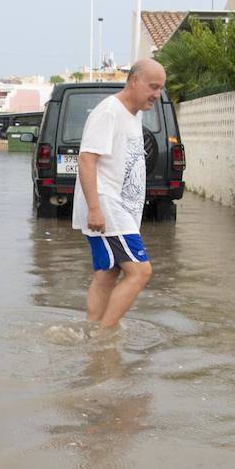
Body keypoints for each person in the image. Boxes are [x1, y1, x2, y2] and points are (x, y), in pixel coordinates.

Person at [71, 59, 166, 329]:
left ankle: (91, 329)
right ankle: (106, 334)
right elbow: (86, 159)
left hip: (121, 209)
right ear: (134, 81)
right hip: (107, 207)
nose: (156, 95)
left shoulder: (135, 113)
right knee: (140, 272)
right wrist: (94, 209)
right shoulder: (109, 112)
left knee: (107, 273)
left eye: (160, 89)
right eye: (153, 87)